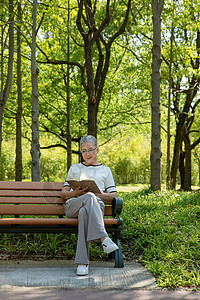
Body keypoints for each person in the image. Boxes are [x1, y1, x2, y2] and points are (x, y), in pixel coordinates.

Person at [61, 135, 119, 276]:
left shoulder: (106, 170)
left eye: (90, 150)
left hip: (94, 207)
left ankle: (83, 263)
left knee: (84, 212)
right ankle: (103, 238)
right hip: (73, 205)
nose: (87, 154)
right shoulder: (75, 168)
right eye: (83, 151)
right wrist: (76, 193)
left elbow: (114, 195)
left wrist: (95, 195)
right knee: (85, 201)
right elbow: (63, 194)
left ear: (97, 150)